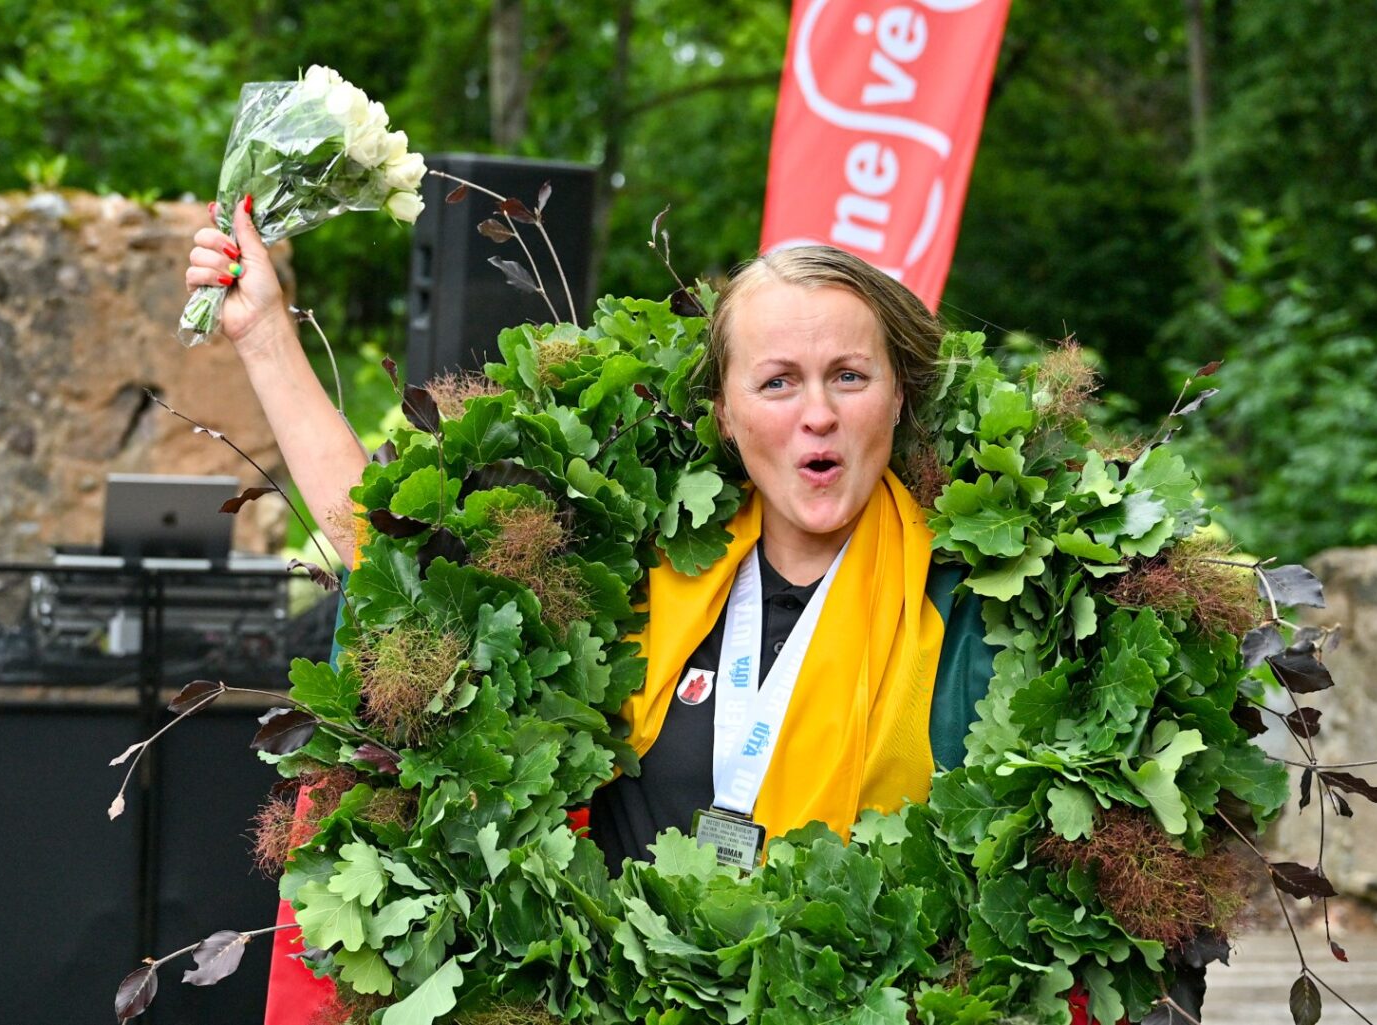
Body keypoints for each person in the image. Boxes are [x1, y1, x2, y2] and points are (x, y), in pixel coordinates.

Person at [189, 202, 1130, 1021]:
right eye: (777, 381)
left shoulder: (978, 610)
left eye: (850, 375)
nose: (818, 414)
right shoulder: (627, 572)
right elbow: (391, 563)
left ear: (899, 393)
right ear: (724, 411)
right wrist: (266, 337)